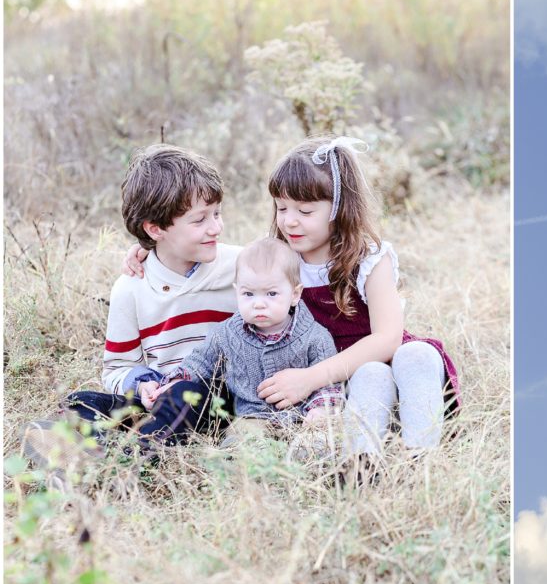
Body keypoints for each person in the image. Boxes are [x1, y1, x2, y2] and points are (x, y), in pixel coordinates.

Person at [22, 143, 240, 480]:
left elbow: (285, 268)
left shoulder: (241, 267)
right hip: (158, 400)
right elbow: (117, 367)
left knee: (186, 394)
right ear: (155, 229)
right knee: (79, 403)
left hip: (218, 400)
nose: (216, 228)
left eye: (216, 213)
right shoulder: (131, 288)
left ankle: (115, 462)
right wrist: (142, 388)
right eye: (200, 220)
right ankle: (90, 446)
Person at [259, 135, 460, 455]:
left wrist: (310, 377)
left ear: (339, 208)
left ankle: (420, 456)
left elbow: (388, 339)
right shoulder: (280, 258)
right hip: (343, 392)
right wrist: (152, 252)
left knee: (416, 354)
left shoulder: (369, 259)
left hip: (399, 377)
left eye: (305, 210)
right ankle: (362, 464)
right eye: (281, 208)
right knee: (370, 374)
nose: (289, 220)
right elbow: (225, 261)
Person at [152, 236, 344, 447]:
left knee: (317, 441)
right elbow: (199, 362)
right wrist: (174, 380)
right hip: (252, 417)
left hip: (302, 417)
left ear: (295, 294)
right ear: (237, 292)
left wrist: (319, 409)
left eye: (271, 294)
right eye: (248, 294)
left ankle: (303, 454)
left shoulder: (315, 337)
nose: (259, 304)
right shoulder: (226, 334)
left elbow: (328, 381)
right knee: (241, 443)